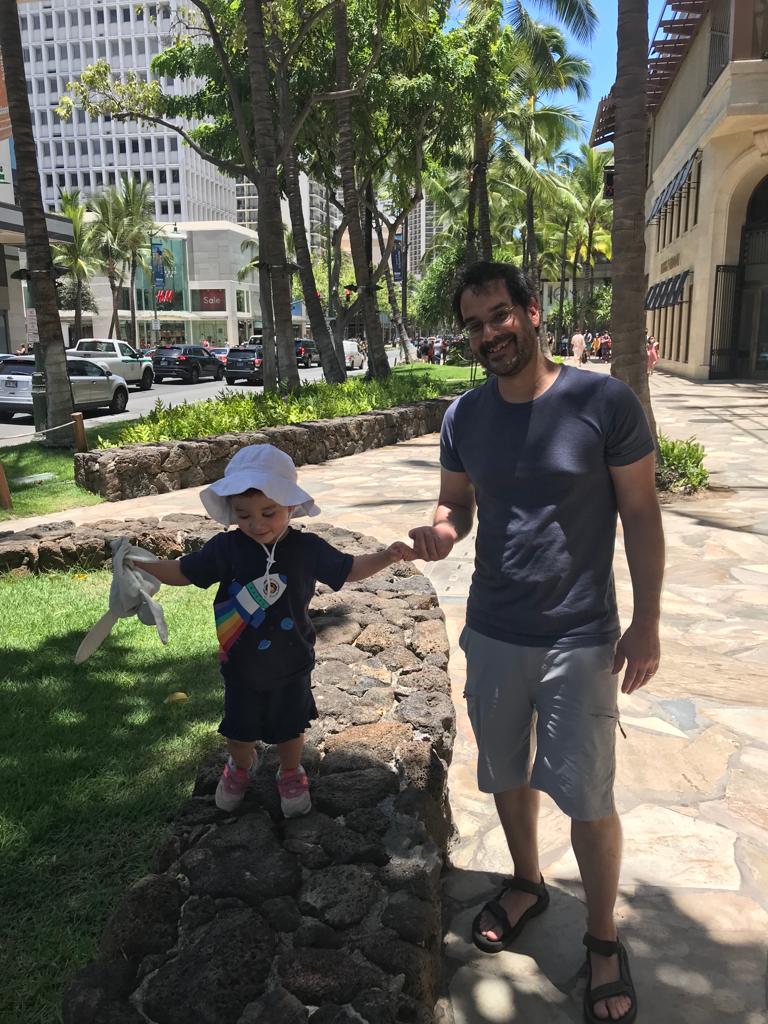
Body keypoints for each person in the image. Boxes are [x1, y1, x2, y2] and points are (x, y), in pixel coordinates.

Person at [408, 261, 663, 1024]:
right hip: (492, 629)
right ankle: (525, 879)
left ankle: (602, 936)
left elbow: (642, 515)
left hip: (580, 636)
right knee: (507, 773)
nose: (489, 333)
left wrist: (646, 622)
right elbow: (458, 505)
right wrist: (442, 531)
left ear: (532, 311)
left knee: (588, 793)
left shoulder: (603, 402)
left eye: (499, 315)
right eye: (475, 323)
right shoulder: (465, 416)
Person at [139, 444, 414, 818]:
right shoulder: (226, 548)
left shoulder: (306, 549)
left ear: (290, 506)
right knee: (239, 729)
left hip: (292, 661)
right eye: (243, 514)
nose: (257, 523)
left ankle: (290, 772)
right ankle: (240, 767)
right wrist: (148, 566)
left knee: (291, 727)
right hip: (240, 663)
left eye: (268, 512)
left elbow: (349, 569)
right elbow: (185, 572)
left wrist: (387, 556)